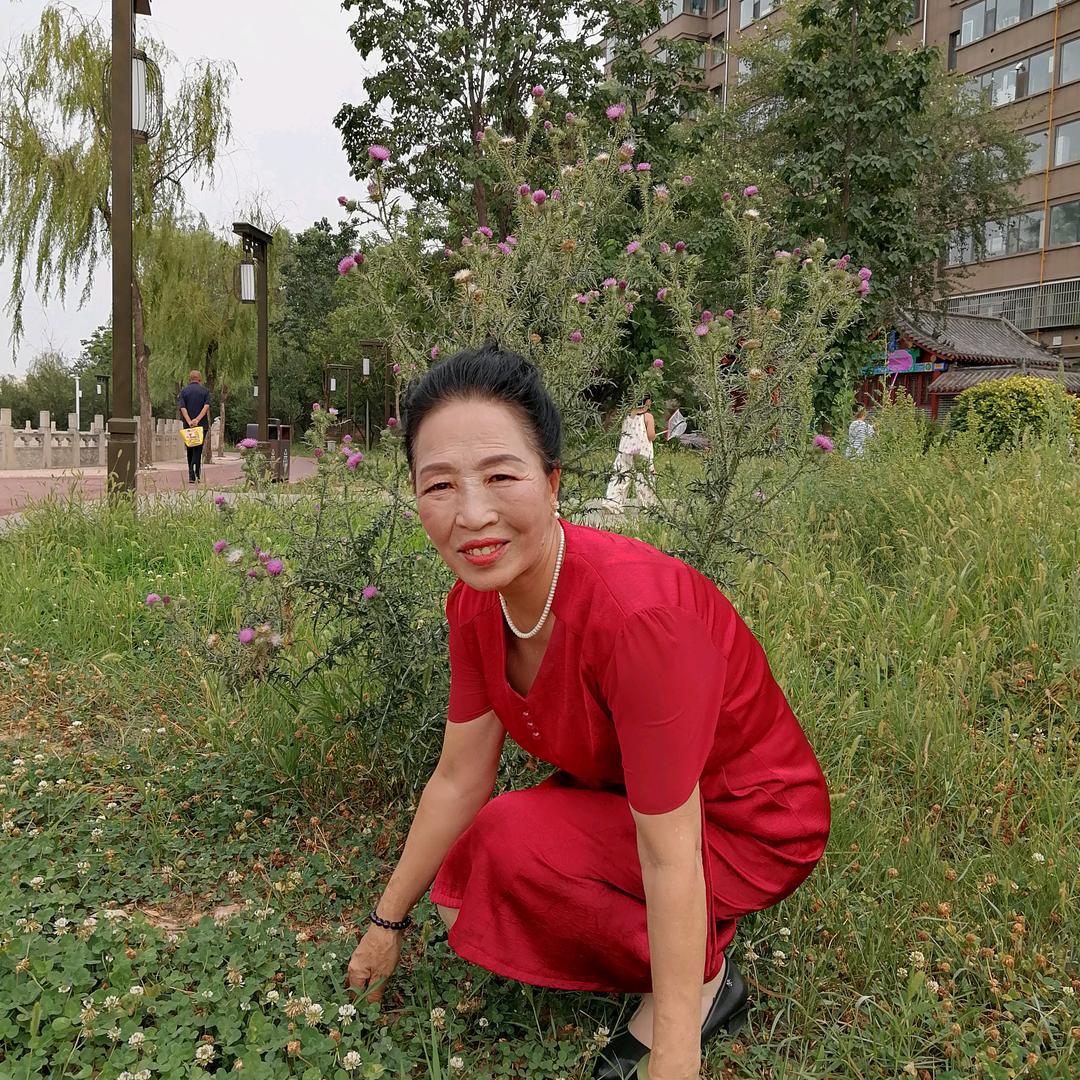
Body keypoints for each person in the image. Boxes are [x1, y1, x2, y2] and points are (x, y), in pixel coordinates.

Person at [345, 343, 830, 1080]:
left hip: (745, 819)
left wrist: (675, 1055)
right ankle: (680, 948)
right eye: (439, 484)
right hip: (630, 797)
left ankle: (703, 983)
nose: (472, 514)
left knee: (513, 842)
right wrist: (386, 923)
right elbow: (457, 779)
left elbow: (669, 854)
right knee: (480, 860)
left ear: (552, 482)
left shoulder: (639, 618)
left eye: (501, 476)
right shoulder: (477, 608)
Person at [603, 395, 658, 510]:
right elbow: (651, 435)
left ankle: (613, 502)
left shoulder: (626, 416)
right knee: (644, 476)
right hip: (642, 450)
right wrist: (654, 436)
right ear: (646, 403)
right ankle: (647, 504)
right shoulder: (648, 416)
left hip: (625, 449)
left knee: (620, 474)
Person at [178, 370, 211, 484]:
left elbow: (183, 408)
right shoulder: (205, 391)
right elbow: (206, 407)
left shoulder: (184, 391)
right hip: (201, 425)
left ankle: (191, 475)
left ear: (190, 378)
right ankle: (196, 473)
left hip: (188, 425)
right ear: (200, 379)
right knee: (198, 449)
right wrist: (197, 420)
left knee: (190, 449)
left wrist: (189, 421)